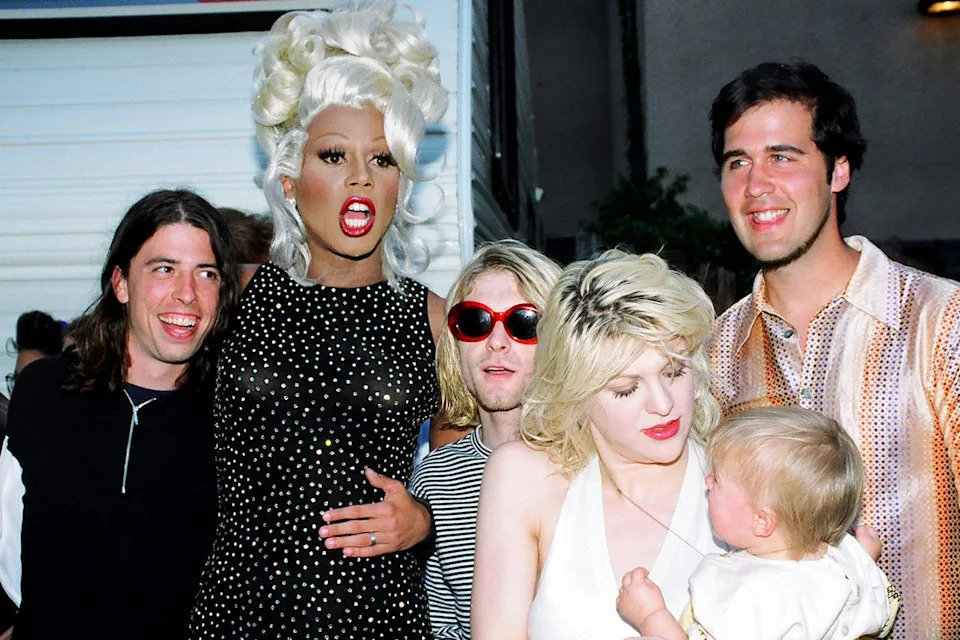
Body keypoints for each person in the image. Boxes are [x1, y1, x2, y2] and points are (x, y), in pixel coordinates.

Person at [189, 2, 448, 637]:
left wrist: (426, 520)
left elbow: (479, 462)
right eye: (334, 156)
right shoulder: (235, 297)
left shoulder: (434, 318)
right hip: (241, 614)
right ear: (290, 178)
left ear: (401, 181)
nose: (360, 180)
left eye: (382, 160)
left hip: (376, 616)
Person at [707, 61, 960, 639]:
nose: (755, 185)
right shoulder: (717, 351)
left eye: (783, 156)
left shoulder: (939, 322)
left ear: (838, 170)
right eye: (736, 162)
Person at [2, 189, 237, 640]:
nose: (187, 295)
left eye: (205, 274)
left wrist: (418, 520)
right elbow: (6, 544)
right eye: (164, 269)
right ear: (122, 283)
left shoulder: (235, 420)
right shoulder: (45, 391)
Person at [472, 250, 726, 640]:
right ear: (577, 395)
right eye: (626, 389)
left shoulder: (742, 477)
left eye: (674, 371)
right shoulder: (524, 476)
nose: (663, 405)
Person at [617, 406, 899, 639]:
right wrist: (864, 556)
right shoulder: (843, 557)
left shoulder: (753, 599)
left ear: (762, 522)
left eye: (718, 481)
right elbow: (861, 592)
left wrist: (651, 615)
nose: (707, 482)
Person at [408, 240, 560, 639]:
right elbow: (442, 628)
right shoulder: (435, 477)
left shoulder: (597, 458)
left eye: (525, 323)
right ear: (455, 342)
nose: (496, 342)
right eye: (475, 321)